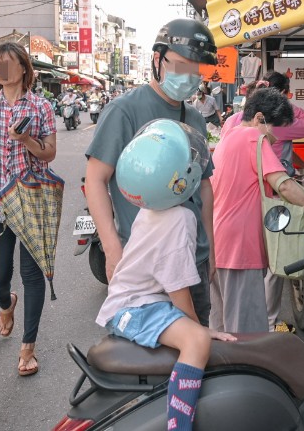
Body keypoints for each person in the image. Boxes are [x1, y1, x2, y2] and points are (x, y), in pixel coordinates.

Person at [97, 119, 236, 431]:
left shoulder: (153, 208)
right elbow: (177, 284)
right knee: (198, 339)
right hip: (135, 306)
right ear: (180, 178)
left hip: (133, 301)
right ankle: (179, 426)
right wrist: (198, 327)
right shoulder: (179, 217)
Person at [85, 18, 218, 325]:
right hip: (143, 263)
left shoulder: (195, 118)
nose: (190, 76)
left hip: (192, 262)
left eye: (197, 70)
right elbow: (96, 180)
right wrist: (112, 249)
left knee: (195, 355)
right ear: (157, 59)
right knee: (145, 361)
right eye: (182, 66)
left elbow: (205, 187)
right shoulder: (123, 110)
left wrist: (209, 246)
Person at [0, 42, 57, 377]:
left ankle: (27, 347)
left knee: (32, 276)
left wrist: (26, 142)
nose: (3, 69)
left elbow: (49, 153)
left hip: (32, 200)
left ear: (23, 68)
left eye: (9, 63)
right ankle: (7, 305)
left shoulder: (41, 106)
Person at [210, 88, 304, 333]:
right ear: (259, 118)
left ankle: (224, 369)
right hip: (240, 247)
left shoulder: (230, 136)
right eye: (274, 129)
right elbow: (286, 185)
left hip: (221, 241)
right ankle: (244, 370)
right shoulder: (252, 138)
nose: (275, 138)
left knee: (221, 327)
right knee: (244, 331)